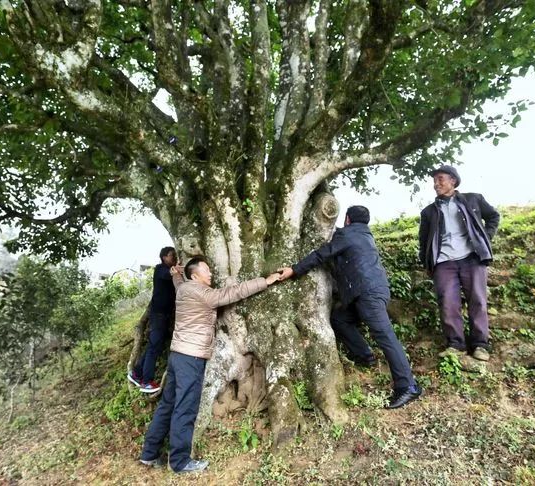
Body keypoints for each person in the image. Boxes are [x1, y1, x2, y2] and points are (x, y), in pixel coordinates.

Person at [139, 256, 281, 473]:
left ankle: (149, 454)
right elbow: (232, 293)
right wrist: (266, 281)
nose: (211, 273)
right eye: (206, 270)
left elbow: (178, 280)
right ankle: (179, 462)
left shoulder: (184, 288)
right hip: (191, 358)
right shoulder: (203, 293)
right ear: (195, 275)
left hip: (177, 355)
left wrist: (176, 273)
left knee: (167, 404)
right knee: (185, 408)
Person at [279, 206, 422, 410]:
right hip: (368, 292)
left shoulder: (348, 234)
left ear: (347, 219)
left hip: (367, 294)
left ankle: (408, 386)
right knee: (340, 319)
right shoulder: (365, 235)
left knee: (385, 336)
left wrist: (294, 270)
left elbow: (322, 254)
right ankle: (365, 356)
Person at [418, 165, 500, 362]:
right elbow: (423, 241)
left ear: (453, 181)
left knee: (477, 300)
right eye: (435, 180)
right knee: (448, 303)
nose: (436, 184)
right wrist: (429, 263)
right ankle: (456, 344)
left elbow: (493, 217)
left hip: (471, 258)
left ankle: (480, 345)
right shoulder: (429, 212)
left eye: (440, 179)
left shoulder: (473, 199)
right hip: (444, 262)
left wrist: (484, 239)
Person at [128, 247, 178, 393]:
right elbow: (168, 274)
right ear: (164, 257)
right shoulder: (161, 269)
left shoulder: (168, 270)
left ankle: (137, 373)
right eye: (171, 255)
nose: (174, 257)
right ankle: (146, 381)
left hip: (163, 316)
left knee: (153, 345)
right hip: (158, 316)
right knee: (153, 348)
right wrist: (177, 270)